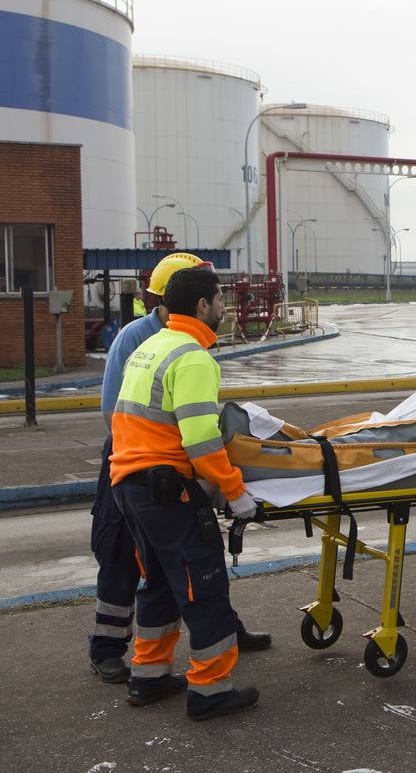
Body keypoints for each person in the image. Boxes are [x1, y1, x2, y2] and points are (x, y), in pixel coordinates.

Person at [89, 255, 270, 686]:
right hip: (161, 485)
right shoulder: (187, 355)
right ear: (201, 304)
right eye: (219, 297)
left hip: (132, 478)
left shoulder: (154, 346)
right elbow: (201, 440)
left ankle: (148, 677)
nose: (224, 305)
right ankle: (210, 689)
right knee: (200, 583)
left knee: (161, 581)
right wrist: (234, 491)